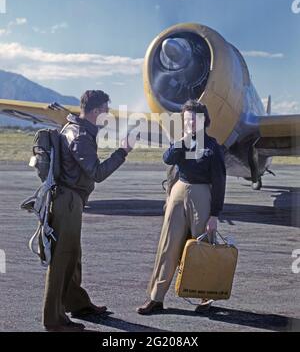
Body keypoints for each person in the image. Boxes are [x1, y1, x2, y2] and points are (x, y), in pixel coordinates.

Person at [43, 90, 134, 331]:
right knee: (62, 258)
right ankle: (54, 319)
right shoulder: (80, 135)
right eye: (105, 108)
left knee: (72, 256)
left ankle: (77, 303)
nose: (107, 113)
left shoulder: (75, 128)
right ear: (95, 110)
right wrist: (122, 151)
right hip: (68, 201)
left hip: (70, 199)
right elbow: (97, 173)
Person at [137, 99, 226, 315]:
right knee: (167, 245)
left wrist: (214, 215)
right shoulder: (182, 143)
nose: (189, 123)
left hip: (202, 194)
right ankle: (156, 298)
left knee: (202, 247)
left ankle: (206, 297)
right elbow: (167, 159)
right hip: (179, 191)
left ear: (204, 120)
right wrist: (183, 140)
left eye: (194, 119)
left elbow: (220, 181)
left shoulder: (213, 147)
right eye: (186, 120)